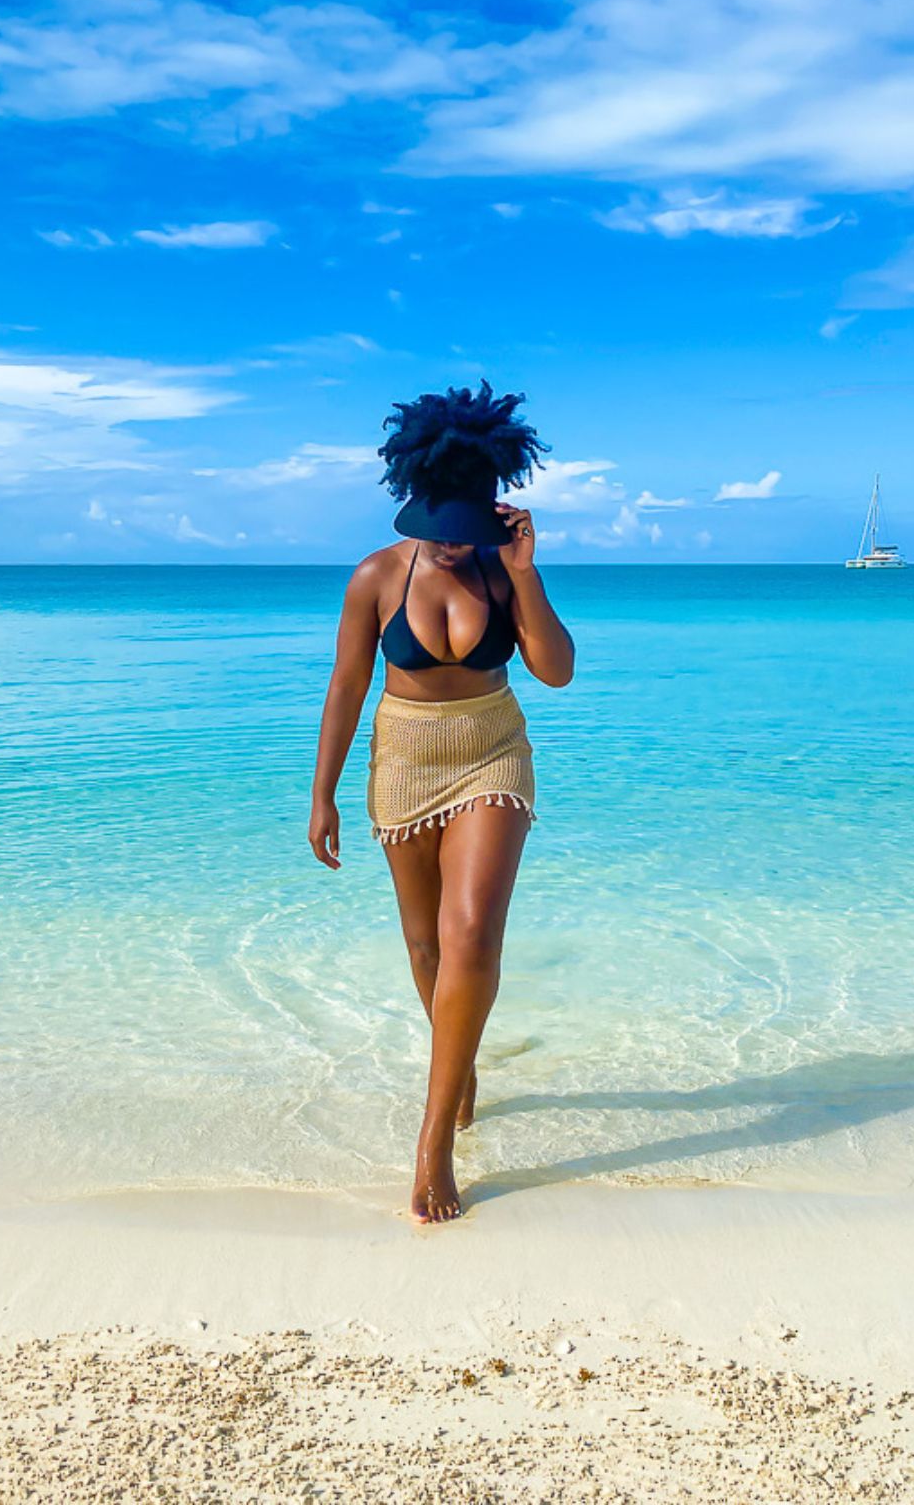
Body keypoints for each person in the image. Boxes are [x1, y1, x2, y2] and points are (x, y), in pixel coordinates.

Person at [308, 381, 575, 1223]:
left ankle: (433, 1145)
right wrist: (322, 795)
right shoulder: (378, 577)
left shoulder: (504, 571)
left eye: (469, 531)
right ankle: (459, 1067)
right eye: (441, 532)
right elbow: (348, 683)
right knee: (424, 947)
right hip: (404, 761)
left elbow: (557, 670)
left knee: (468, 935)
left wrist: (525, 577)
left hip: (492, 752)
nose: (454, 547)